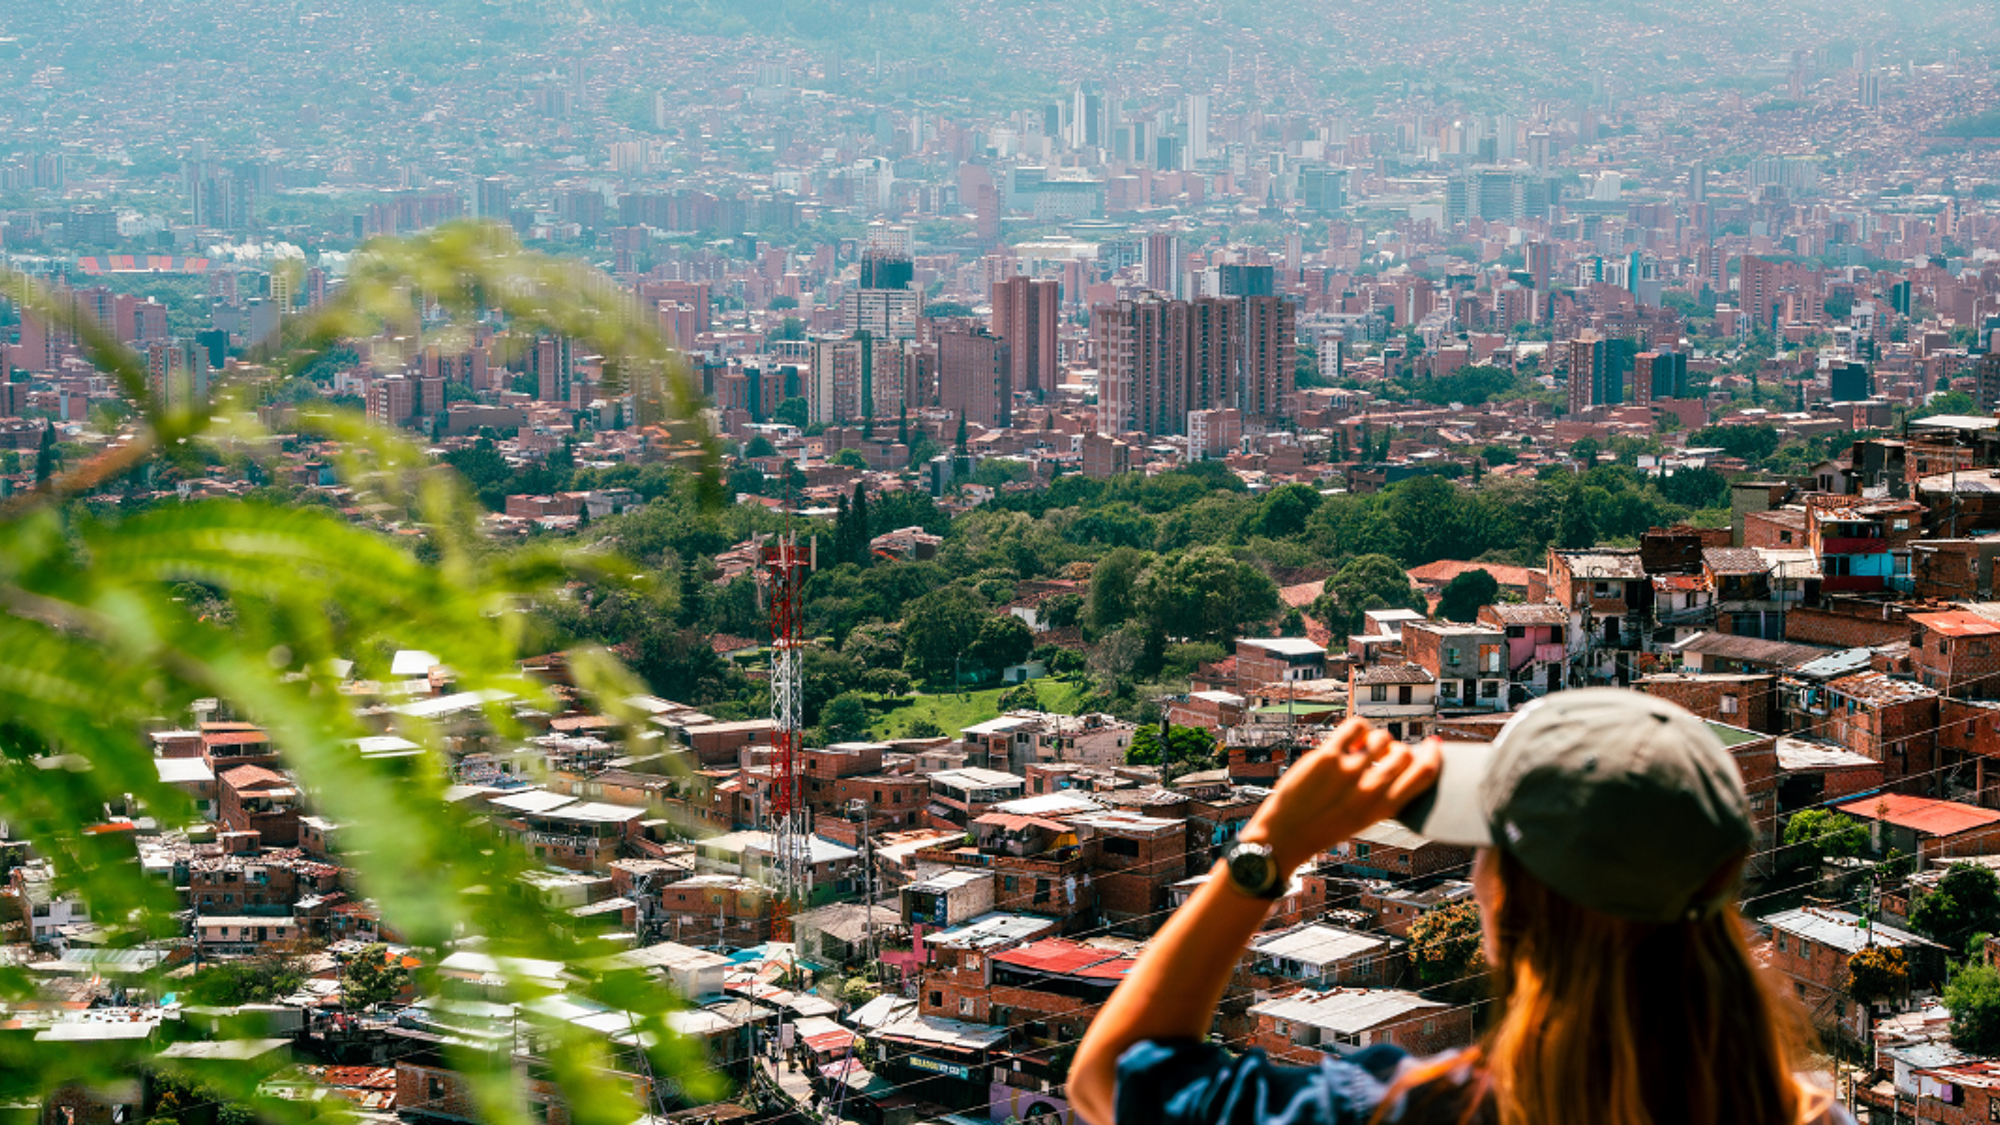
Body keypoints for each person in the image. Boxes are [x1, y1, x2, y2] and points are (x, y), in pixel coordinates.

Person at [1069, 688, 1850, 1125]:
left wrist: (1267, 849)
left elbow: (1111, 1073)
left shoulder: (1414, 1111)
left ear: (1509, 903)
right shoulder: (1809, 1115)